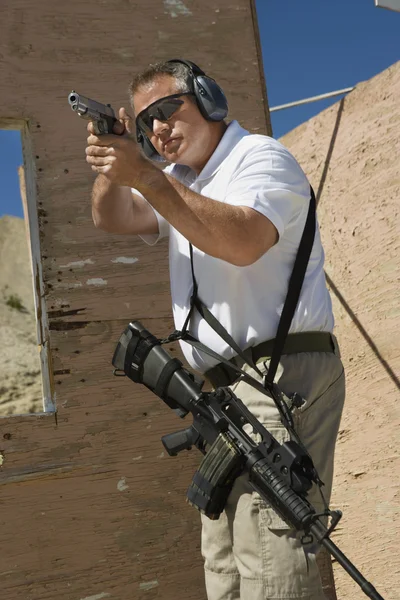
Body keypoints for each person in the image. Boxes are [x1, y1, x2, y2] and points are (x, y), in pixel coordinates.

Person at [85, 59, 345, 600]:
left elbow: (244, 241)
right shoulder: (181, 182)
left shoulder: (261, 158)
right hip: (230, 391)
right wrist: (115, 165)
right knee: (226, 566)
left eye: (165, 110)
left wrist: (146, 175)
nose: (156, 130)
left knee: (273, 561)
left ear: (207, 98)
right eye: (142, 124)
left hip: (279, 373)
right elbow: (112, 218)